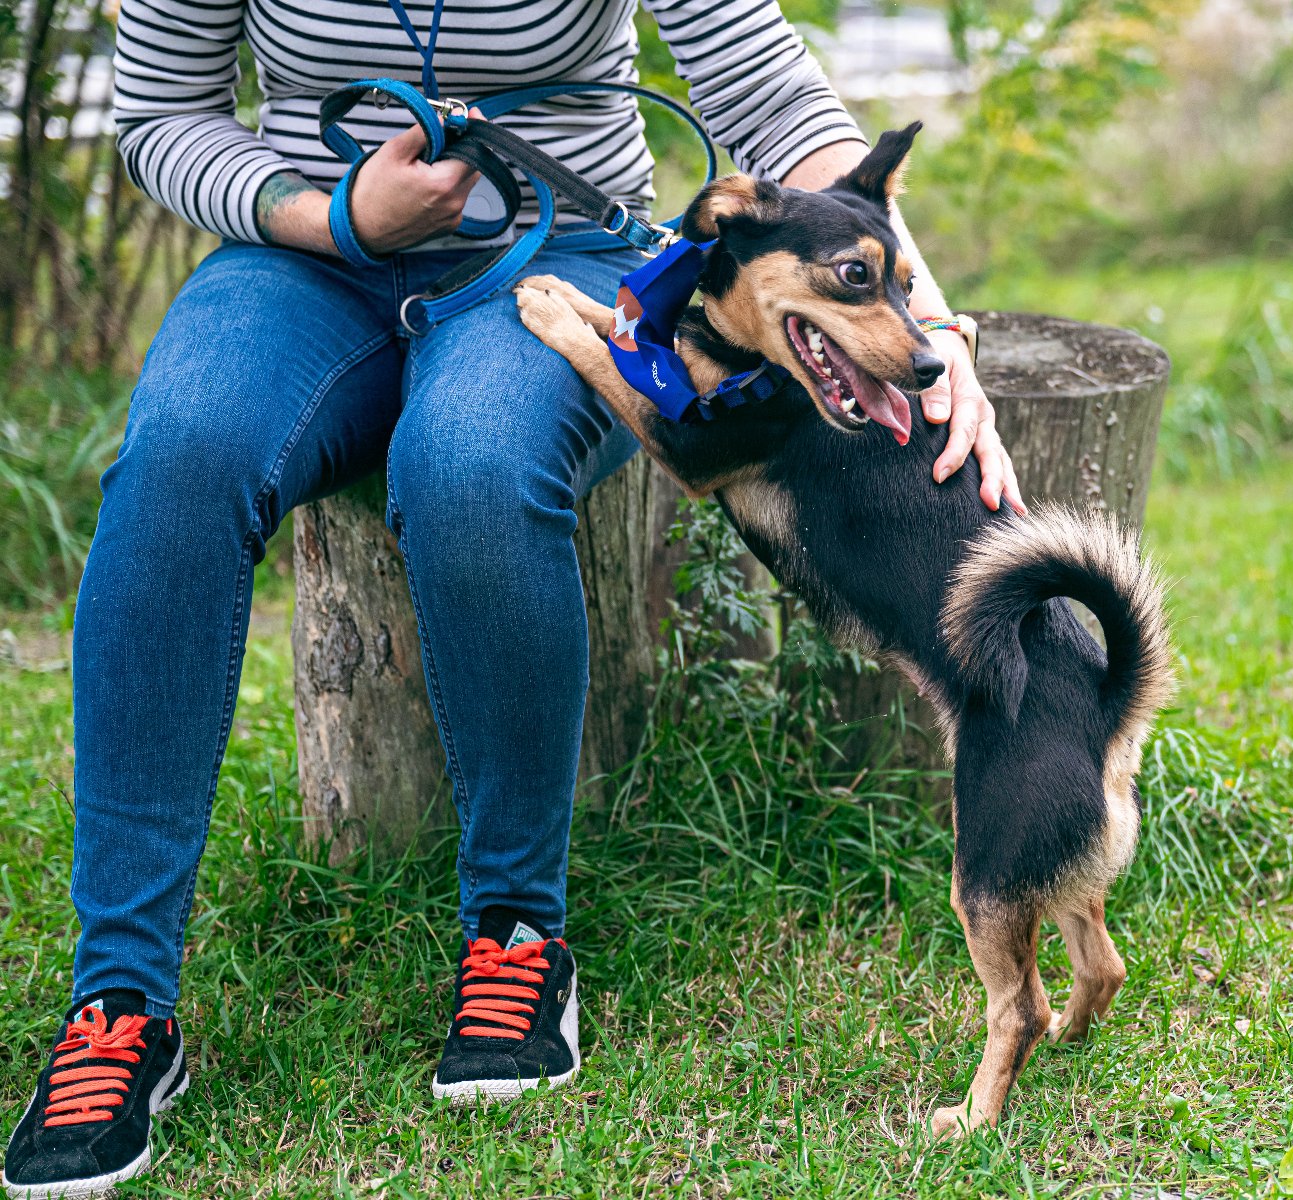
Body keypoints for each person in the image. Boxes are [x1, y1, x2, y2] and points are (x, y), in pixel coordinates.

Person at [2, 2, 1022, 1195]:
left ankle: (516, 936)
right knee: (178, 457)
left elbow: (776, 101)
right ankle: (120, 1001)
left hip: (562, 253)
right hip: (296, 263)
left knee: (473, 463)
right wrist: (330, 215)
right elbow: (163, 116)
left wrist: (930, 329)